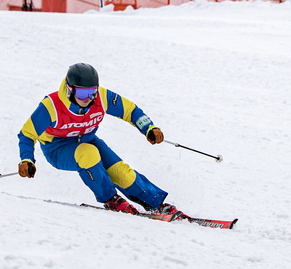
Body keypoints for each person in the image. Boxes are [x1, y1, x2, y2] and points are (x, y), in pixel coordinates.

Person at [17, 63, 187, 218]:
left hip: (88, 140)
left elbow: (130, 110)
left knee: (121, 172)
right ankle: (111, 199)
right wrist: (27, 159)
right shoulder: (51, 106)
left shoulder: (102, 97)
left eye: (92, 92)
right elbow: (27, 134)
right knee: (88, 154)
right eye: (83, 93)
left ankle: (157, 204)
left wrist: (149, 128)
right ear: (70, 90)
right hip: (58, 149)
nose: (88, 98)